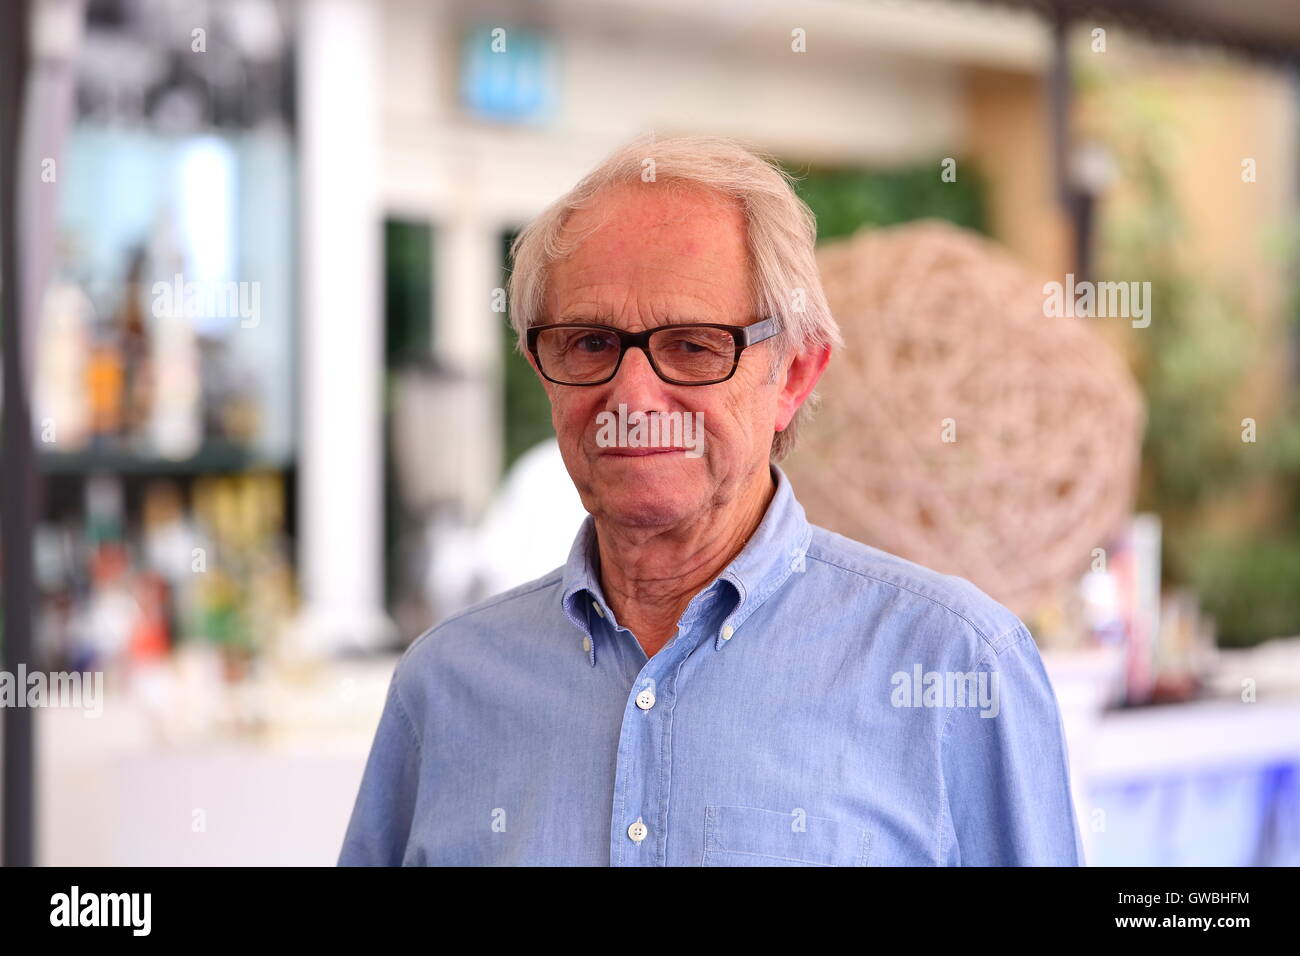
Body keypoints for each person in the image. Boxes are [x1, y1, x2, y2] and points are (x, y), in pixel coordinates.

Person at [338, 133, 1085, 866]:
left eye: (694, 346)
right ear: (542, 368)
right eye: (590, 344)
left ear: (794, 375)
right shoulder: (444, 686)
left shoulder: (958, 668)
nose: (631, 395)